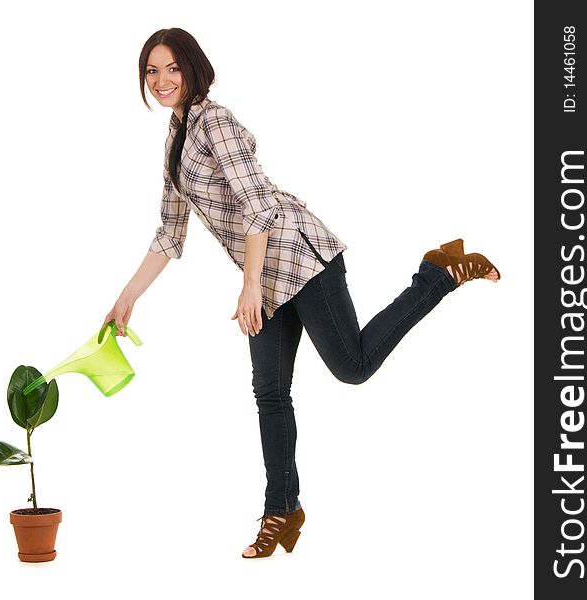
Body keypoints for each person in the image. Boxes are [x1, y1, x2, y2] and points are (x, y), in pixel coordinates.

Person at [102, 27, 500, 559]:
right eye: (151, 71)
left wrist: (248, 285)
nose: (161, 80)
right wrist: (128, 298)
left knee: (352, 366)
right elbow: (170, 233)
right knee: (270, 394)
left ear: (193, 68)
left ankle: (437, 272)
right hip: (263, 274)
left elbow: (258, 205)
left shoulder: (213, 121)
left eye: (171, 67)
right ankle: (282, 512)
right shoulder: (174, 141)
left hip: (297, 256)